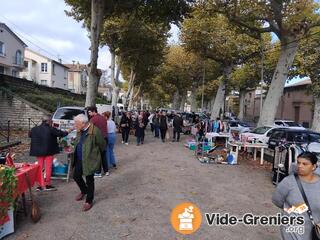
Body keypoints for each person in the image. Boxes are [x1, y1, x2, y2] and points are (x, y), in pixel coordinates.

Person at [272, 152, 320, 240]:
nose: (300, 166)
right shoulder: (288, 182)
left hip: (315, 230)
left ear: (313, 167)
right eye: (298, 163)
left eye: (304, 164)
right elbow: (277, 200)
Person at [72, 114, 106, 212]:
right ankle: (84, 190)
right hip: (79, 159)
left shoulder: (95, 131)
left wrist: (95, 156)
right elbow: (78, 141)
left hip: (90, 160)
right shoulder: (80, 130)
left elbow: (102, 145)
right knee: (76, 176)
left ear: (83, 123)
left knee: (89, 180)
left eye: (76, 123)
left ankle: (89, 200)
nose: (75, 125)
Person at [29, 115, 69, 191]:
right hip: (49, 151)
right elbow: (61, 134)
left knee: (39, 168)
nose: (52, 122)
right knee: (48, 167)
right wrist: (69, 131)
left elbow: (30, 135)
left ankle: (40, 185)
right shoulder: (51, 129)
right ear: (48, 121)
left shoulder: (34, 129)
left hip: (38, 151)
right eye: (51, 121)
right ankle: (47, 184)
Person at [87, 106, 109, 177]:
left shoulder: (93, 119)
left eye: (89, 112)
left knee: (97, 155)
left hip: (97, 139)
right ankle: (106, 171)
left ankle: (98, 172)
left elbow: (90, 131)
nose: (89, 114)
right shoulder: (103, 118)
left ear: (94, 111)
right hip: (105, 138)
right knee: (103, 155)